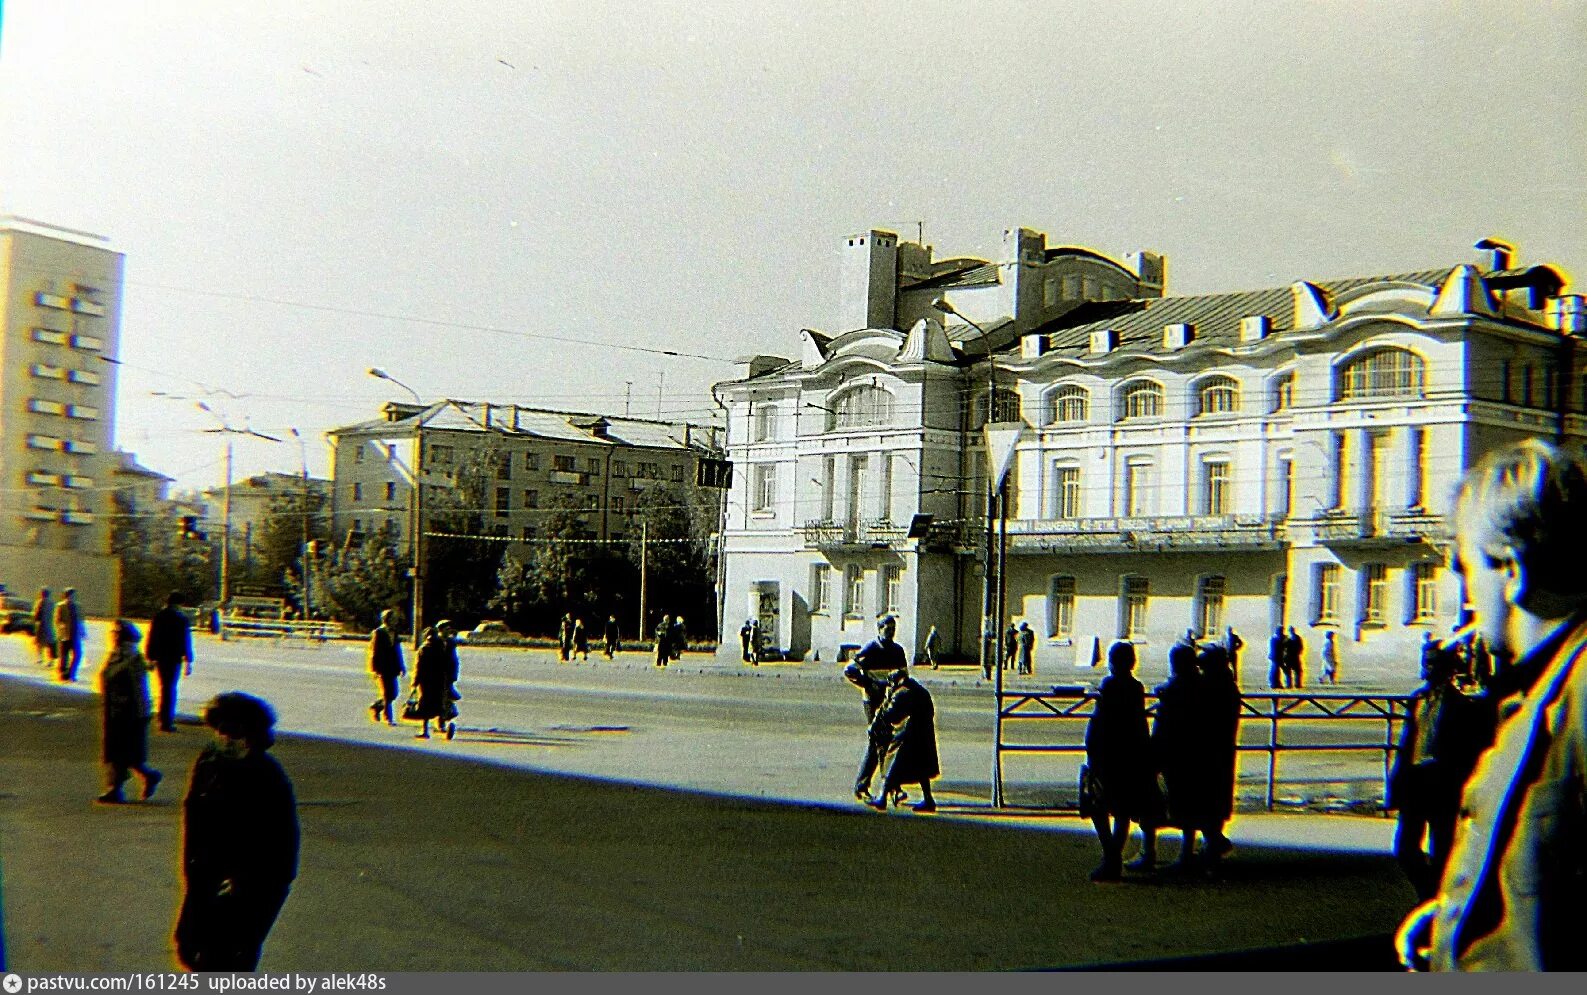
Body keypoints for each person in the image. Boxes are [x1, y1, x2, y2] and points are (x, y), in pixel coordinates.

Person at [1397, 440, 1587, 971]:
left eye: (1464, 567)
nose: (1464, 593)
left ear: (1511, 570)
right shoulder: (1540, 688)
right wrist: (1458, 915)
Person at [174, 692, 299, 972]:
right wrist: (194, 872)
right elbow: (194, 819)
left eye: (234, 732)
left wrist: (246, 881)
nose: (225, 738)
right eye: (220, 729)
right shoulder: (209, 763)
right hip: (206, 877)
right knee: (189, 947)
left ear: (251, 736)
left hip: (253, 886)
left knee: (228, 958)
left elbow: (281, 843)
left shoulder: (267, 776)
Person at [1388, 641, 1490, 903]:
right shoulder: (1417, 700)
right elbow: (1406, 746)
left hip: (1442, 784)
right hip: (1415, 781)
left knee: (1442, 848)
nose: (1428, 669)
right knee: (1405, 849)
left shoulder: (1463, 706)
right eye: (1427, 663)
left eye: (1434, 664)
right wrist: (1396, 785)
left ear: (1448, 670)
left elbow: (1470, 753)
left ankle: (1436, 899)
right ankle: (1430, 889)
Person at [1083, 641, 1163, 882]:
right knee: (1122, 811)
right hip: (1131, 755)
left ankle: (1111, 856)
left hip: (1109, 755)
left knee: (1098, 805)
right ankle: (1113, 855)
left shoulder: (1109, 685)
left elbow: (1099, 722)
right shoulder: (1136, 687)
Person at [1137, 640, 1201, 873]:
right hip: (1192, 751)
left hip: (1168, 751)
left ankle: (1148, 853)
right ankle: (1186, 853)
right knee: (1188, 803)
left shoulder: (1173, 689)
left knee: (1151, 800)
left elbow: (1163, 724)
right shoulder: (1198, 686)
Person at [95, 620, 162, 804]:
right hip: (116, 711)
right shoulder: (118, 655)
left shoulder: (132, 659)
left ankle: (116, 789)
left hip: (129, 712)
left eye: (116, 633)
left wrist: (141, 714)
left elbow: (139, 689)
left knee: (122, 753)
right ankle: (146, 777)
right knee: (121, 753)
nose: (113, 636)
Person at [846, 615, 908, 802]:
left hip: (891, 700)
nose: (890, 632)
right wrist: (869, 683)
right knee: (878, 743)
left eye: (893, 629)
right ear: (879, 629)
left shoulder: (897, 650)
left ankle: (891, 786)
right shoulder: (871, 649)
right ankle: (864, 786)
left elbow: (904, 675)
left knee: (890, 743)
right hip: (873, 701)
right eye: (887, 628)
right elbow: (850, 670)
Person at [865, 667, 940, 813]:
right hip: (923, 736)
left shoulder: (901, 693)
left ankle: (882, 798)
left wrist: (887, 699)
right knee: (921, 770)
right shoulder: (919, 690)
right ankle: (928, 799)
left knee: (890, 765)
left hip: (905, 736)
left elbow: (889, 715)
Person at [1193, 643, 1241, 872]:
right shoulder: (1228, 687)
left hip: (1208, 750)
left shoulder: (1210, 688)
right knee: (1216, 798)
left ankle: (1214, 844)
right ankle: (1214, 843)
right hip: (1223, 749)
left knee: (1205, 797)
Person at [146, 593, 196, 733]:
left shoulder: (159, 616)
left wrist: (150, 657)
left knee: (164, 687)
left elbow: (153, 636)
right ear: (180, 603)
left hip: (161, 656)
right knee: (170, 688)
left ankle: (162, 718)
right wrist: (189, 659)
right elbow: (186, 640)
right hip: (174, 658)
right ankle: (166, 720)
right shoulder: (181, 619)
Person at [411, 625, 457, 740]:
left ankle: (425, 730)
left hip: (426, 683)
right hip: (440, 681)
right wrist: (450, 678)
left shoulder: (423, 649)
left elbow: (418, 667)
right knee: (440, 705)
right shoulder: (442, 648)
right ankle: (445, 726)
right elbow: (449, 664)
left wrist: (414, 683)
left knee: (425, 707)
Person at [366, 608, 405, 726]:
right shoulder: (379, 632)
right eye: (392, 619)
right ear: (386, 619)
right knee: (387, 693)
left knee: (394, 693)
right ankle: (388, 718)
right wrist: (374, 668)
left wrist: (402, 666)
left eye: (395, 619)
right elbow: (374, 651)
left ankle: (377, 706)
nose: (395, 621)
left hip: (393, 667)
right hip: (382, 667)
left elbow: (398, 650)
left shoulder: (395, 632)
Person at [55, 587, 85, 682]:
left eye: (74, 596)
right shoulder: (61, 606)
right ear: (66, 596)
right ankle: (63, 673)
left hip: (75, 635)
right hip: (65, 635)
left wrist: (83, 631)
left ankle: (71, 673)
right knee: (64, 656)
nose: (72, 597)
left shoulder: (78, 606)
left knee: (78, 654)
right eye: (71, 595)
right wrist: (61, 629)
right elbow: (57, 620)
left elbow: (81, 620)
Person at [32, 587, 57, 668]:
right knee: (50, 644)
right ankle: (51, 660)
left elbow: (36, 615)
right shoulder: (53, 603)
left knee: (40, 643)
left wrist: (35, 621)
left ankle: (40, 658)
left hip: (41, 626)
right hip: (50, 625)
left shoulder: (39, 603)